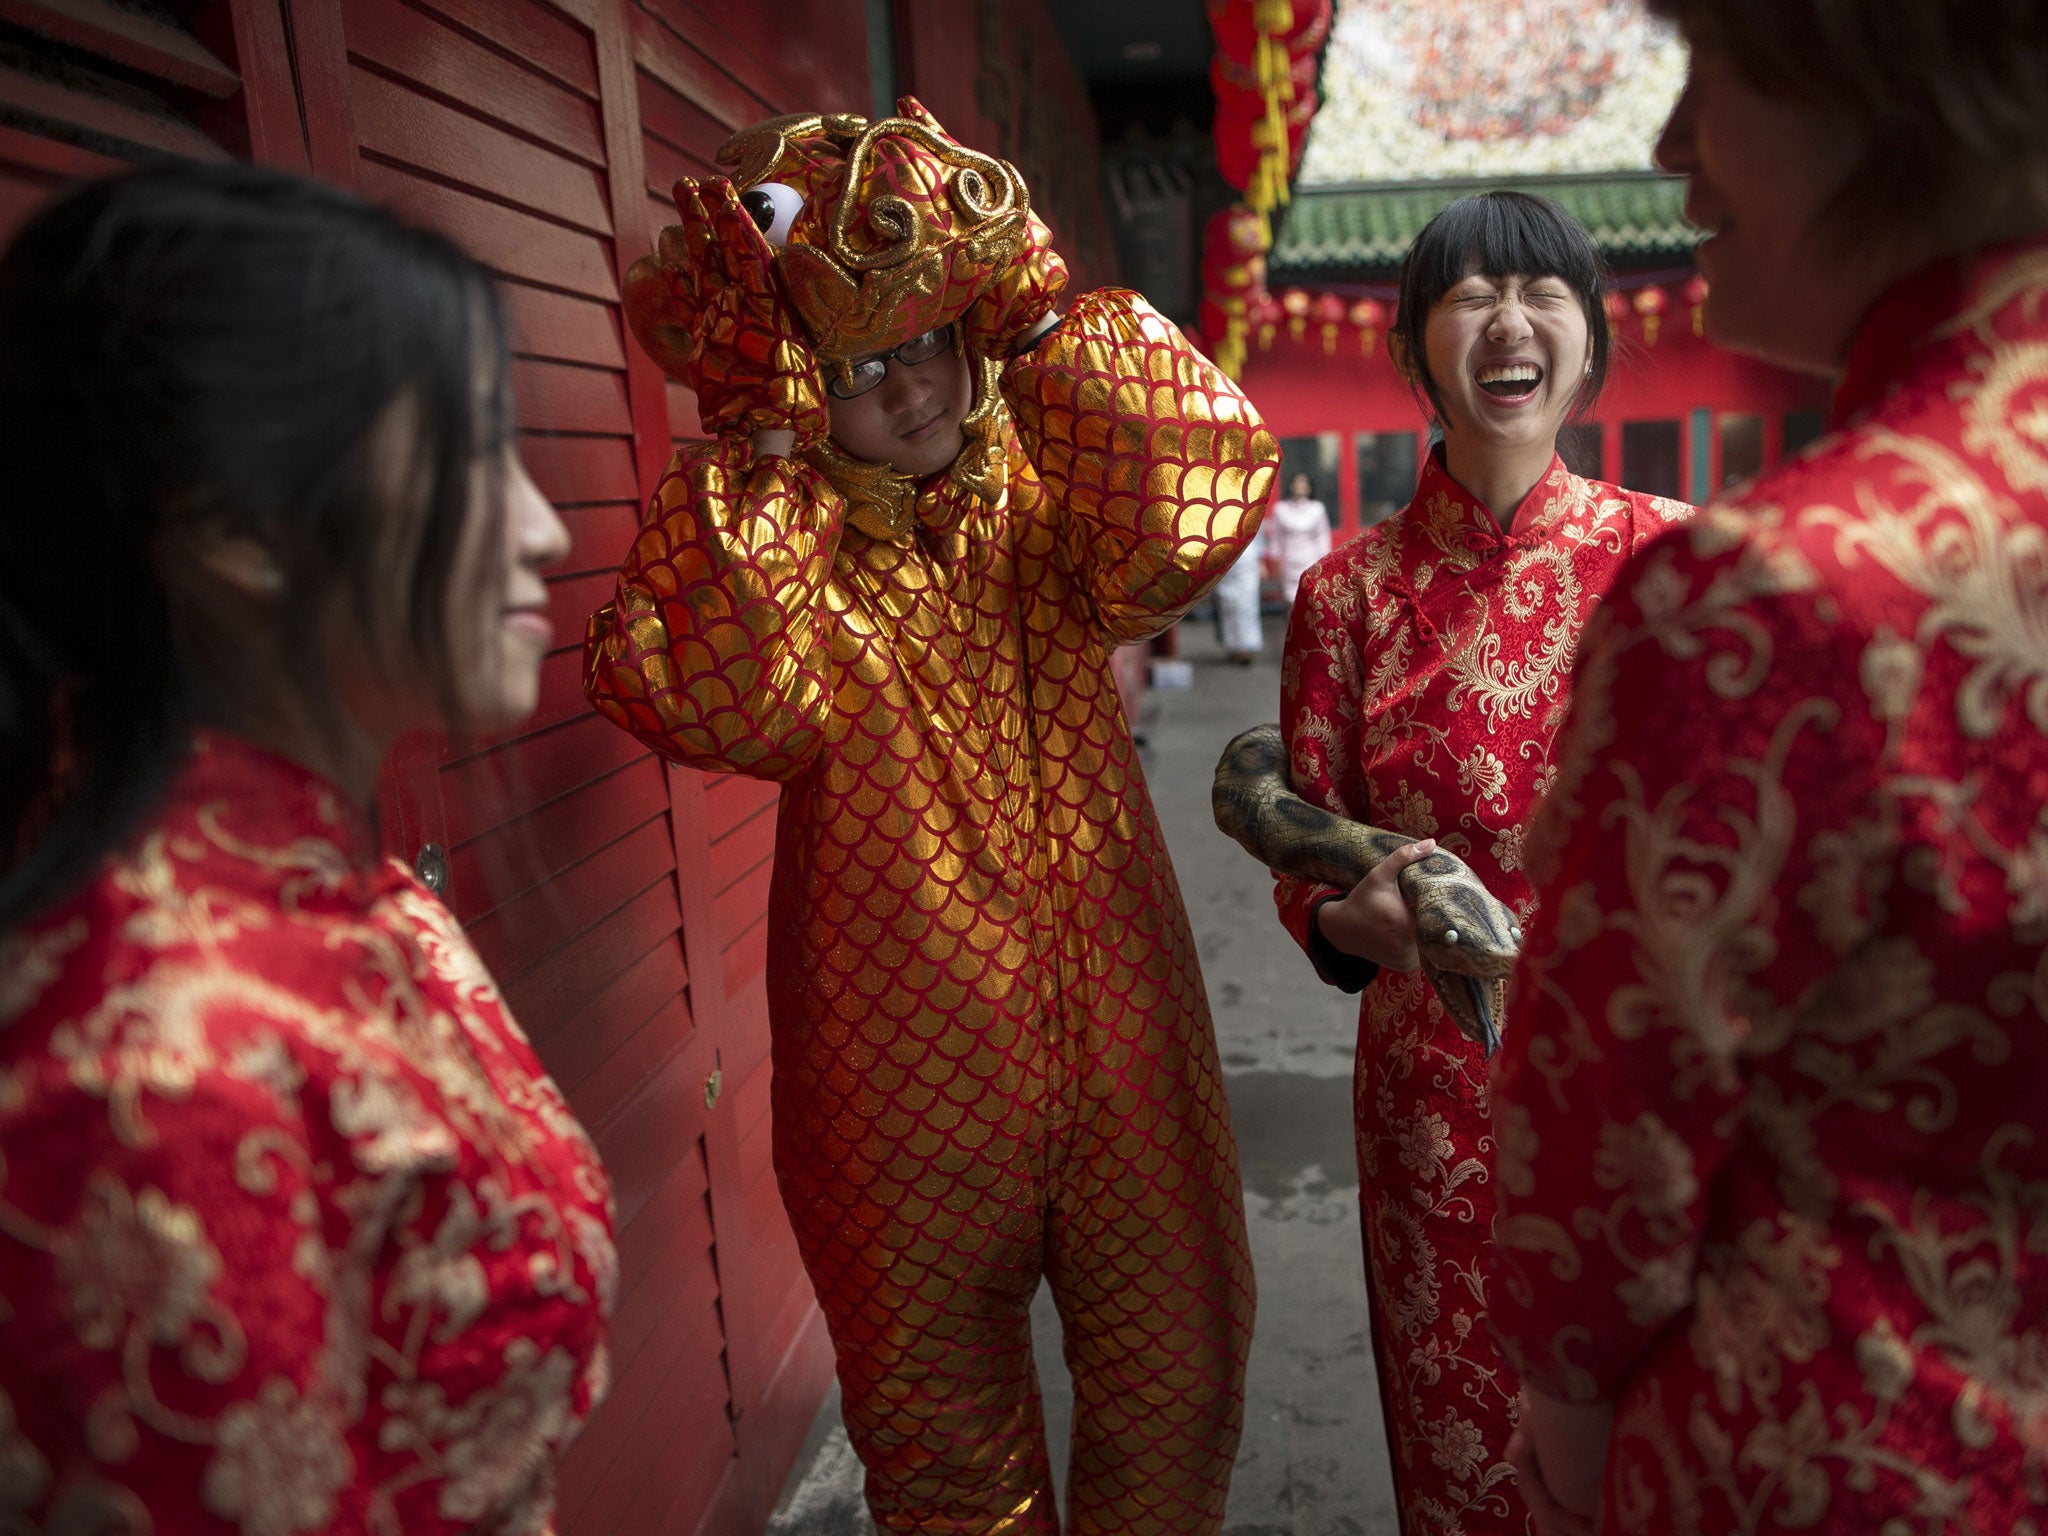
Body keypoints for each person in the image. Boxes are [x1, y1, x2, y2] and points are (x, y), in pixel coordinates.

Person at [583, 102, 1272, 1534]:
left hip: (1126, 1031)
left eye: (926, 342)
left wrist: (1030, 316)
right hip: (896, 1065)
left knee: (1185, 1373)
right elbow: (721, 705)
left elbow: (1200, 504)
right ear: (796, 380)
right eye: (860, 366)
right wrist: (766, 446)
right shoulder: (791, 543)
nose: (910, 391)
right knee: (943, 1451)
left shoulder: (1044, 490)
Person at [1487, 5, 2048, 1533]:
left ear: (1874, 75)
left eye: (1710, 68)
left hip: (1852, 1446)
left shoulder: (1767, 591)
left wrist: (1571, 1399)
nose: (1672, 146)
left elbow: (1600, 1160)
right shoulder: (1354, 583)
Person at [0, 163, 613, 1533]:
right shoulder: (156, 1065)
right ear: (231, 529)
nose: (544, 531)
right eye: (473, 452)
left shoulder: (366, 902)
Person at [1272, 191, 1690, 1535]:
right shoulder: (1345, 596)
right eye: (1469, 295)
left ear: (1589, 343)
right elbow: (1299, 838)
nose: (1511, 321)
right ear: (1413, 354)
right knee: (1462, 1453)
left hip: (1646, 1096)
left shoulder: (1676, 562)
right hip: (1431, 1102)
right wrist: (1351, 921)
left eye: (1545, 291)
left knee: (1646, 1453)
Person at [1269, 470, 1335, 608]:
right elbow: (1276, 539)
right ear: (1291, 486)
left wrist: (1325, 564)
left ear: (1309, 487)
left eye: (1303, 483)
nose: (1300, 487)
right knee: (1291, 603)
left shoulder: (1317, 509)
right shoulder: (1281, 509)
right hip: (1289, 561)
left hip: (1310, 561)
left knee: (1311, 601)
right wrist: (1276, 562)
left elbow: (1322, 538)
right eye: (1297, 483)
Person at [1215, 521, 1270, 664]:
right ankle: (1232, 646)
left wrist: (1260, 561)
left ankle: (1247, 646)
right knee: (1228, 605)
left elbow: (1259, 534)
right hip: (1225, 557)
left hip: (1247, 559)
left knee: (1248, 605)